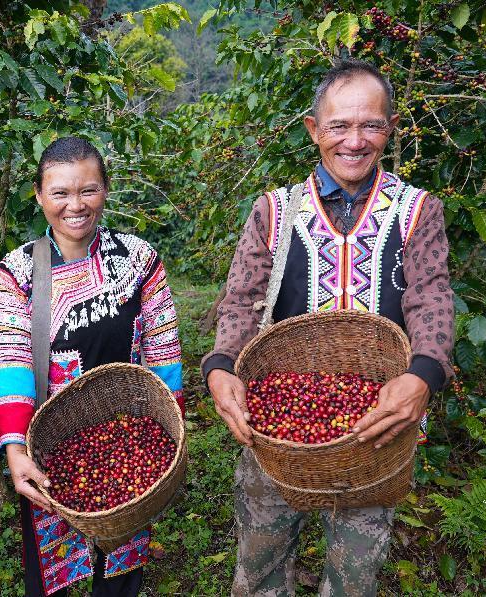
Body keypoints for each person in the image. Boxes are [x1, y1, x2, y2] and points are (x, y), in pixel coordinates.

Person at [201, 59, 455, 596]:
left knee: (355, 574)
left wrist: (423, 376)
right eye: (339, 126)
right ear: (314, 130)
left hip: (377, 432)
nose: (355, 141)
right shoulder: (274, 211)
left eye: (371, 125)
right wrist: (222, 368)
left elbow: (431, 296)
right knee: (260, 559)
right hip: (277, 431)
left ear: (390, 128)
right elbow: (242, 300)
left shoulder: (416, 212)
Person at [0, 136, 184, 596]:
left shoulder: (137, 260)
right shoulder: (17, 274)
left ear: (106, 190)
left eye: (88, 190)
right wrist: (15, 449)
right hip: (49, 448)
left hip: (130, 439)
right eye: (60, 193)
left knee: (120, 568)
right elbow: (5, 359)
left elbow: (163, 346)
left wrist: (170, 425)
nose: (76, 205)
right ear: (38, 196)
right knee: (50, 572)